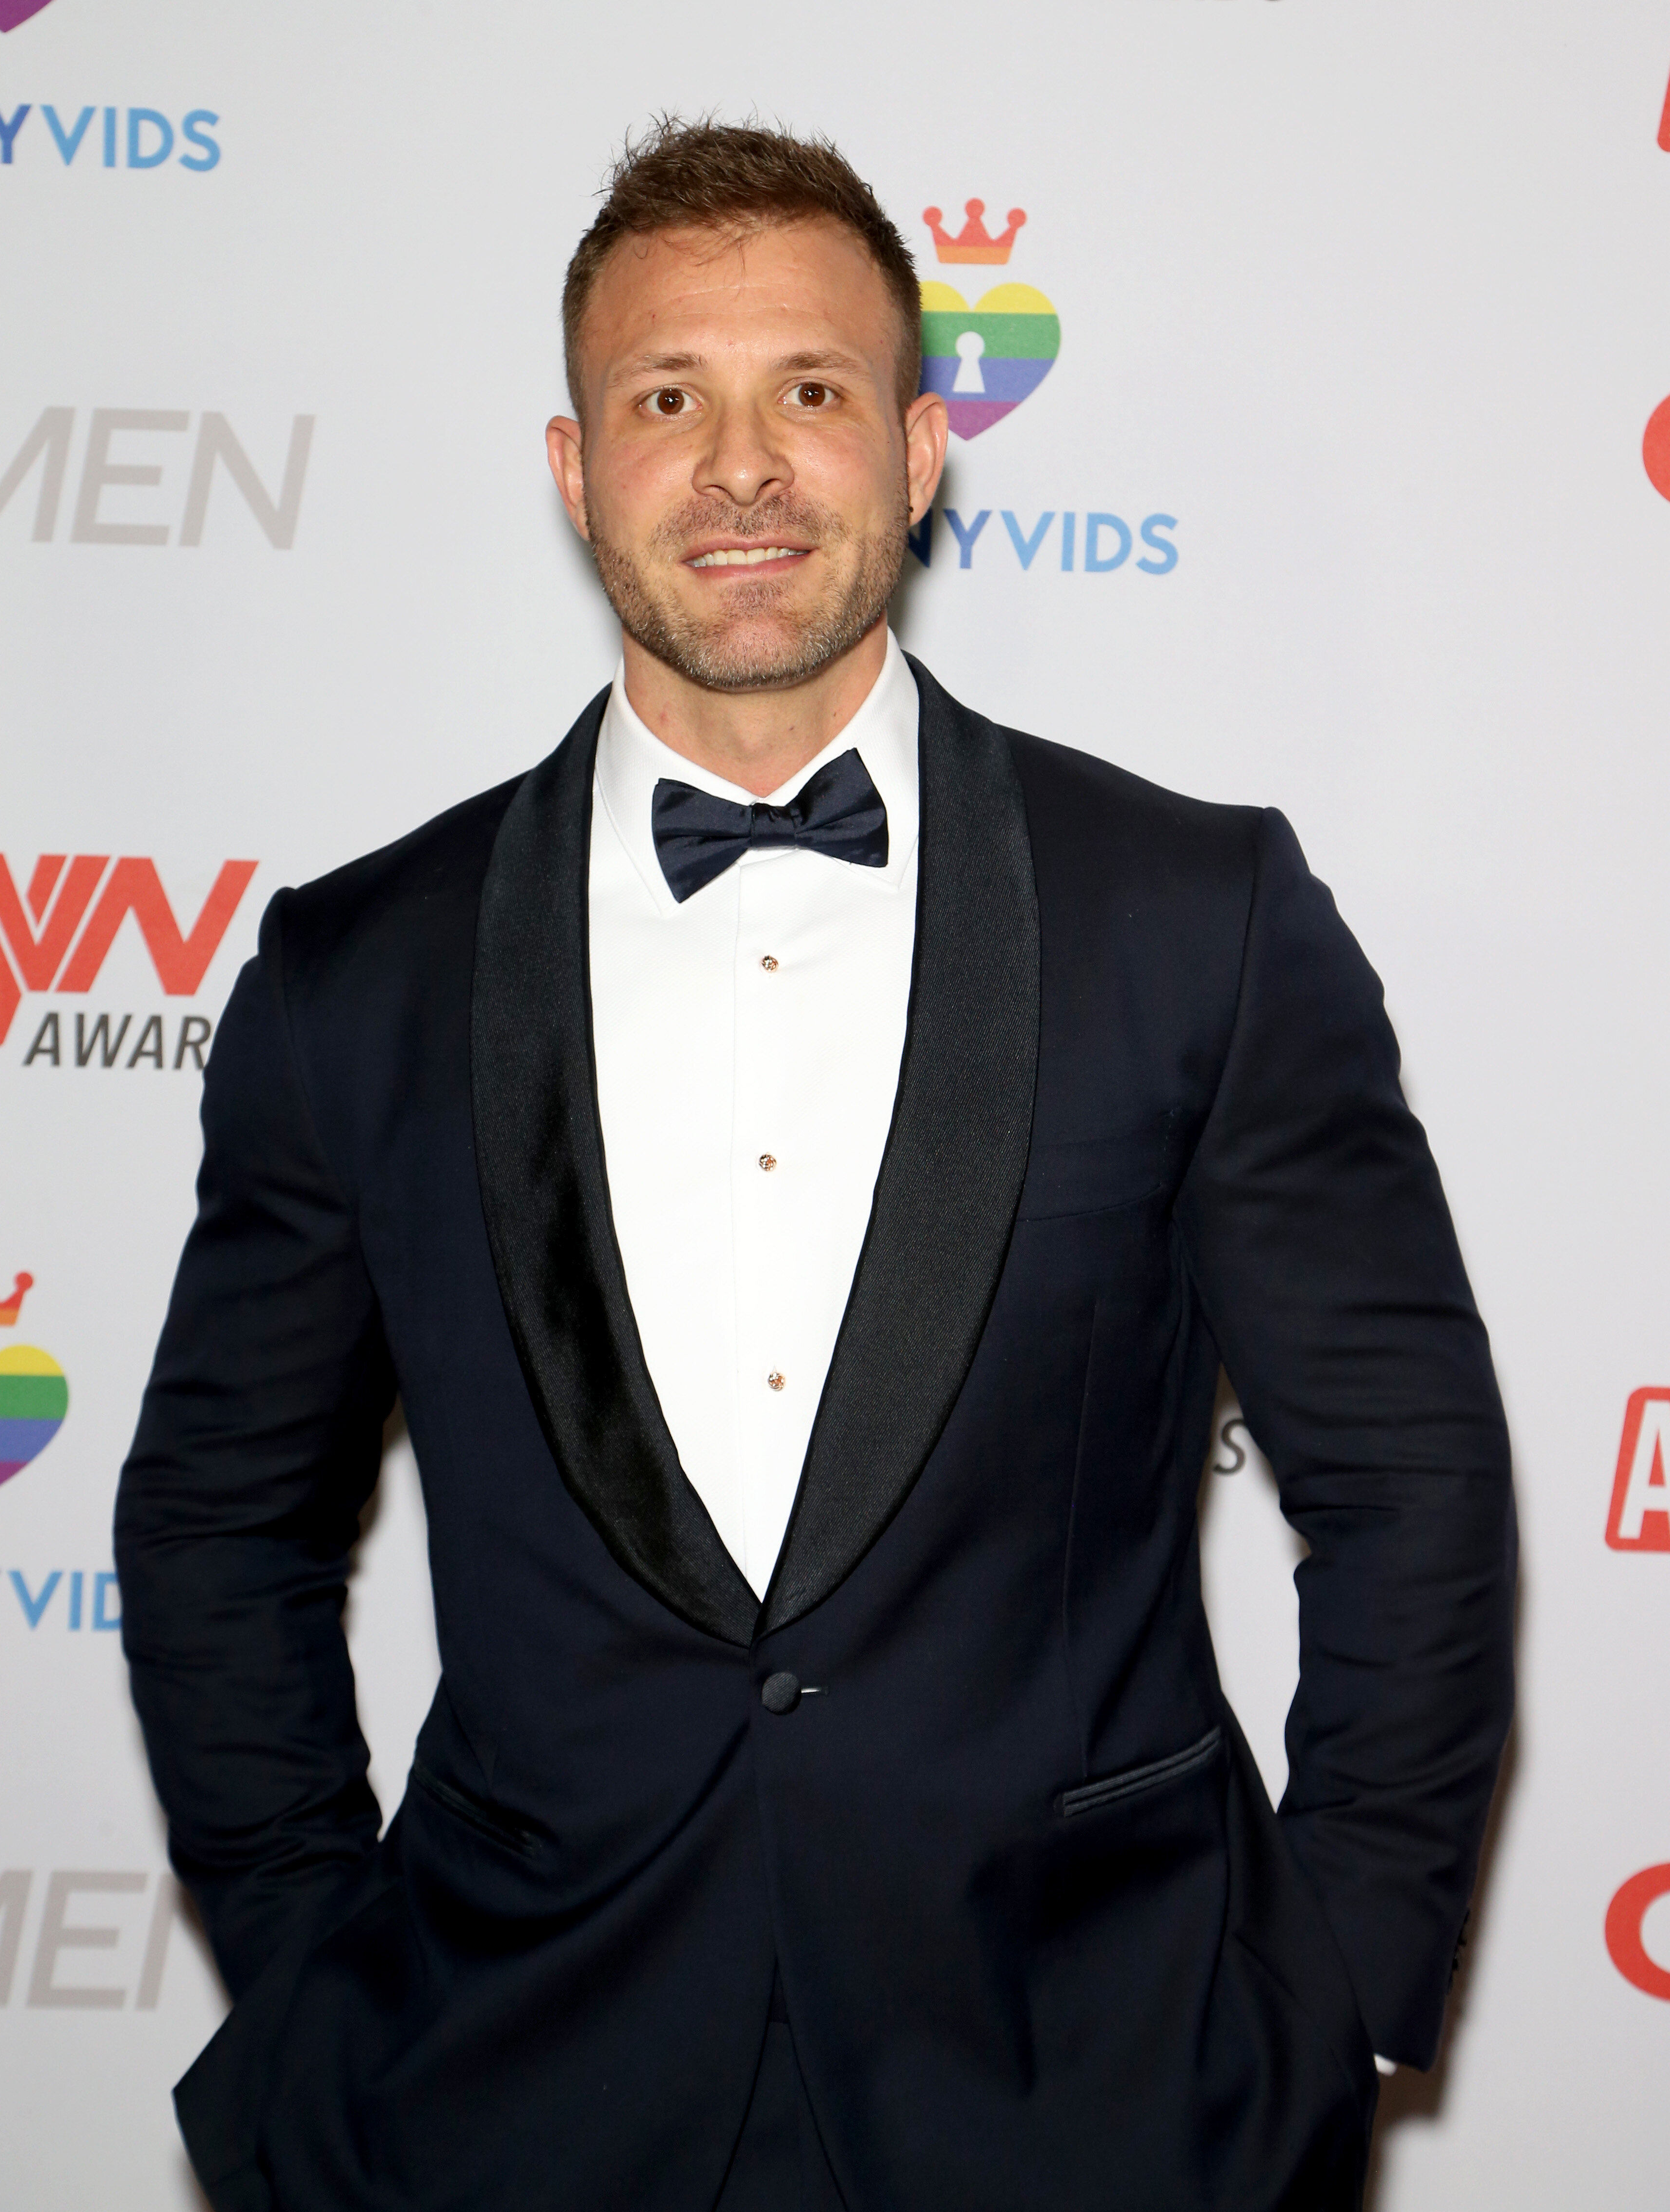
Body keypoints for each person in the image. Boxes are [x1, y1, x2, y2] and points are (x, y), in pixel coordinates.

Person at [115, 119, 1516, 2212]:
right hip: (510, 2094)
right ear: (578, 471)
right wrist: (315, 1984)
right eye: (669, 399)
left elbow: (1411, 1483)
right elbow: (221, 1517)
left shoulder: (1194, 916)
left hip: (1099, 2089)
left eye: (813, 392)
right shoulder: (361, 973)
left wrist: (1341, 1990)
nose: (744, 464)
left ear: (922, 451)